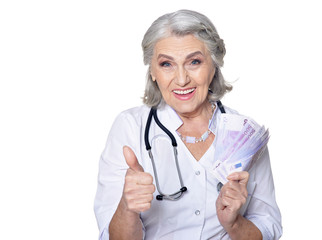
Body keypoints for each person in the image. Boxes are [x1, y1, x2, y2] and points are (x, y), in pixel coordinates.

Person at [94, 9, 282, 240]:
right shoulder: (130, 127)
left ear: (214, 65)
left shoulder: (243, 134)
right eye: (166, 64)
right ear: (152, 72)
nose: (182, 79)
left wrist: (234, 224)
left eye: (194, 62)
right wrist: (127, 207)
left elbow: (269, 226)